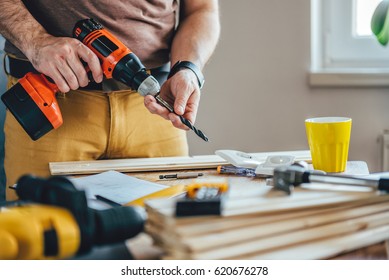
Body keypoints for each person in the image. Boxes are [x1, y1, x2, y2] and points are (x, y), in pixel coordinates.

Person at [0, 0, 220, 200]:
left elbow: (202, 9)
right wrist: (37, 41)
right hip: (49, 101)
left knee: (162, 230)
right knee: (41, 233)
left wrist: (188, 69)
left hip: (157, 111)